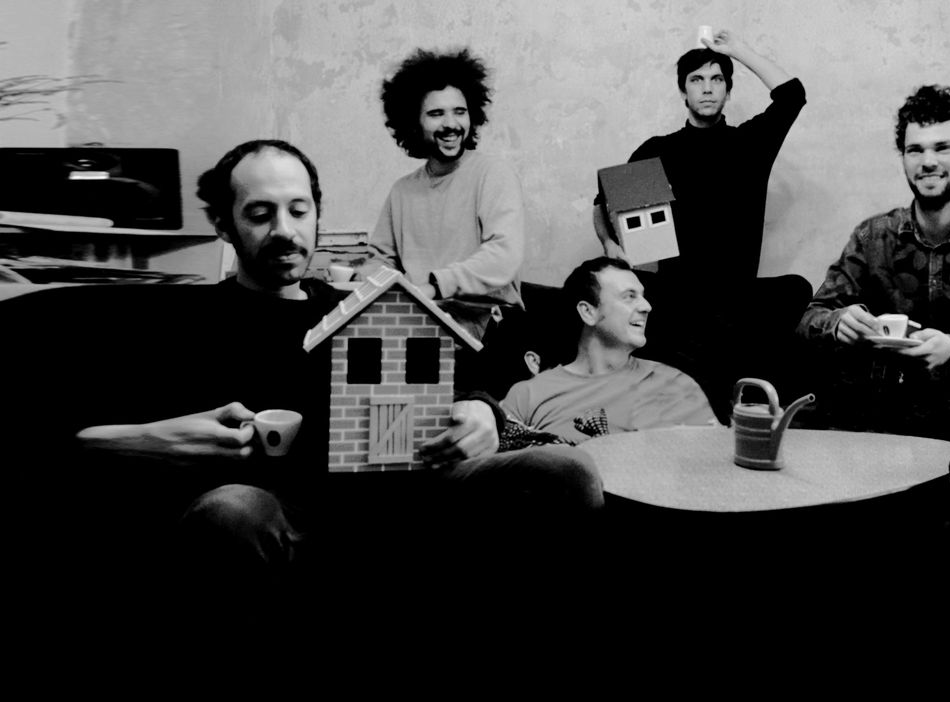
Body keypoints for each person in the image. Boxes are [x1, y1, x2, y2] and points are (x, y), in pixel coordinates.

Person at [39, 140, 602, 648]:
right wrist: (152, 438)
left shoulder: (355, 305)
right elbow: (70, 429)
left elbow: (446, 378)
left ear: (316, 214)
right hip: (287, 516)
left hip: (405, 499)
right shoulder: (185, 319)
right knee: (231, 511)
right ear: (224, 225)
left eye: (299, 209)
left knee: (566, 471)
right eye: (260, 214)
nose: (284, 230)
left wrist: (481, 410)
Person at [797, 85, 950, 440]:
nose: (928, 161)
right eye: (915, 150)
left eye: (943, 147)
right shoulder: (873, 236)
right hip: (883, 415)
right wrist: (837, 323)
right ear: (903, 159)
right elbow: (810, 318)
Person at [592, 29, 811, 419]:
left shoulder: (750, 144)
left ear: (727, 91)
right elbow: (602, 205)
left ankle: (734, 403)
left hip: (735, 298)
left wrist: (737, 49)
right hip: (677, 298)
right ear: (683, 92)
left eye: (717, 79)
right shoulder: (659, 150)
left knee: (795, 289)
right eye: (696, 80)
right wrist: (610, 244)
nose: (707, 88)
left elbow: (792, 95)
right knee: (625, 296)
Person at [371, 47, 527, 395]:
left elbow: (503, 256)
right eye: (436, 114)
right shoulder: (402, 190)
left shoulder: (493, 173)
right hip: (421, 330)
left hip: (491, 334)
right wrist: (368, 284)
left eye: (460, 111)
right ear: (414, 122)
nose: (451, 124)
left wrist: (432, 286)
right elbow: (380, 259)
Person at [502, 257, 717, 445]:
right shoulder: (528, 395)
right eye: (629, 296)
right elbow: (499, 466)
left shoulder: (673, 383)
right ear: (588, 312)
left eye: (642, 296)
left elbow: (712, 461)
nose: (646, 306)